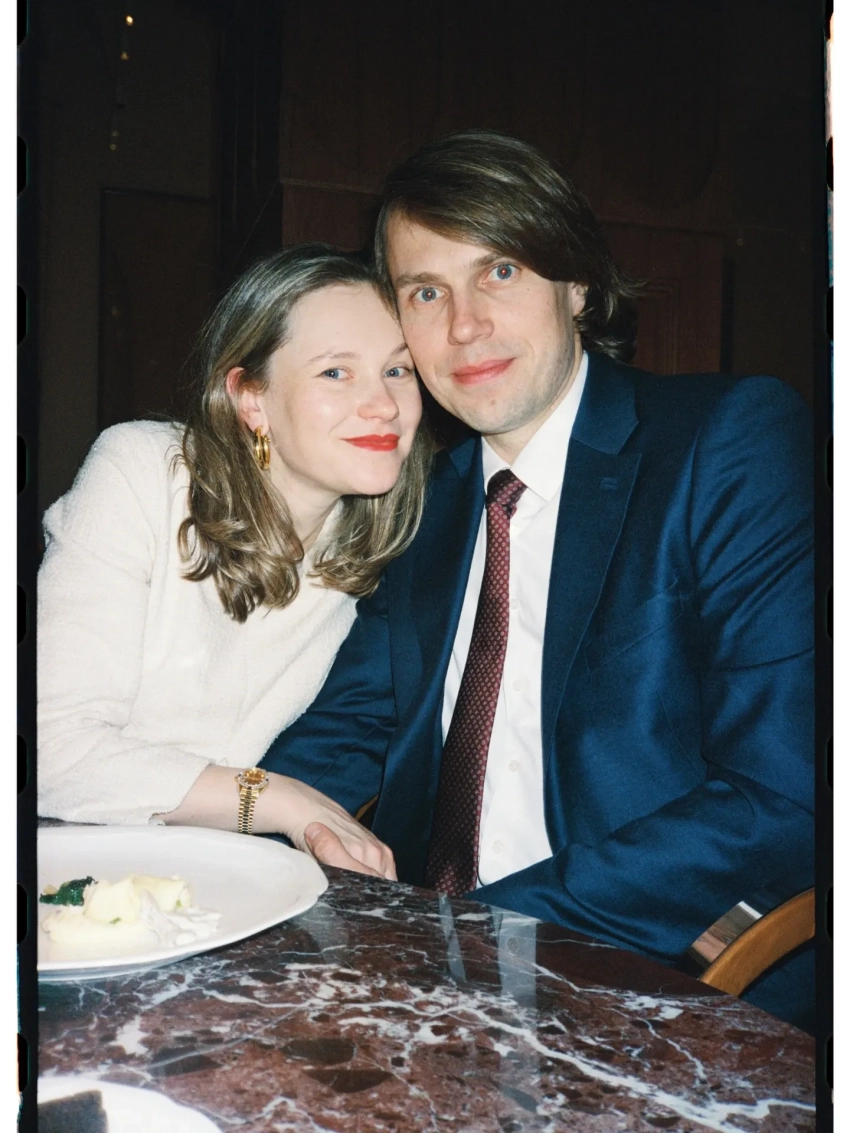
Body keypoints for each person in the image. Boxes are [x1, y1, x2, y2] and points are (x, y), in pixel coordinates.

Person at [260, 132, 814, 1028]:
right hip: (419, 979)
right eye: (426, 291)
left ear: (578, 284)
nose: (464, 324)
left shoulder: (726, 444)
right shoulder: (422, 502)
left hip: (662, 984)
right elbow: (344, 731)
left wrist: (472, 937)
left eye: (502, 271)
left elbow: (784, 795)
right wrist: (200, 856)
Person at [37, 244, 432, 879]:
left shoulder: (387, 555)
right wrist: (281, 801)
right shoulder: (143, 473)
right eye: (336, 372)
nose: (383, 403)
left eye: (398, 369)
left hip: (200, 887)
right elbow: (46, 752)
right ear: (251, 399)